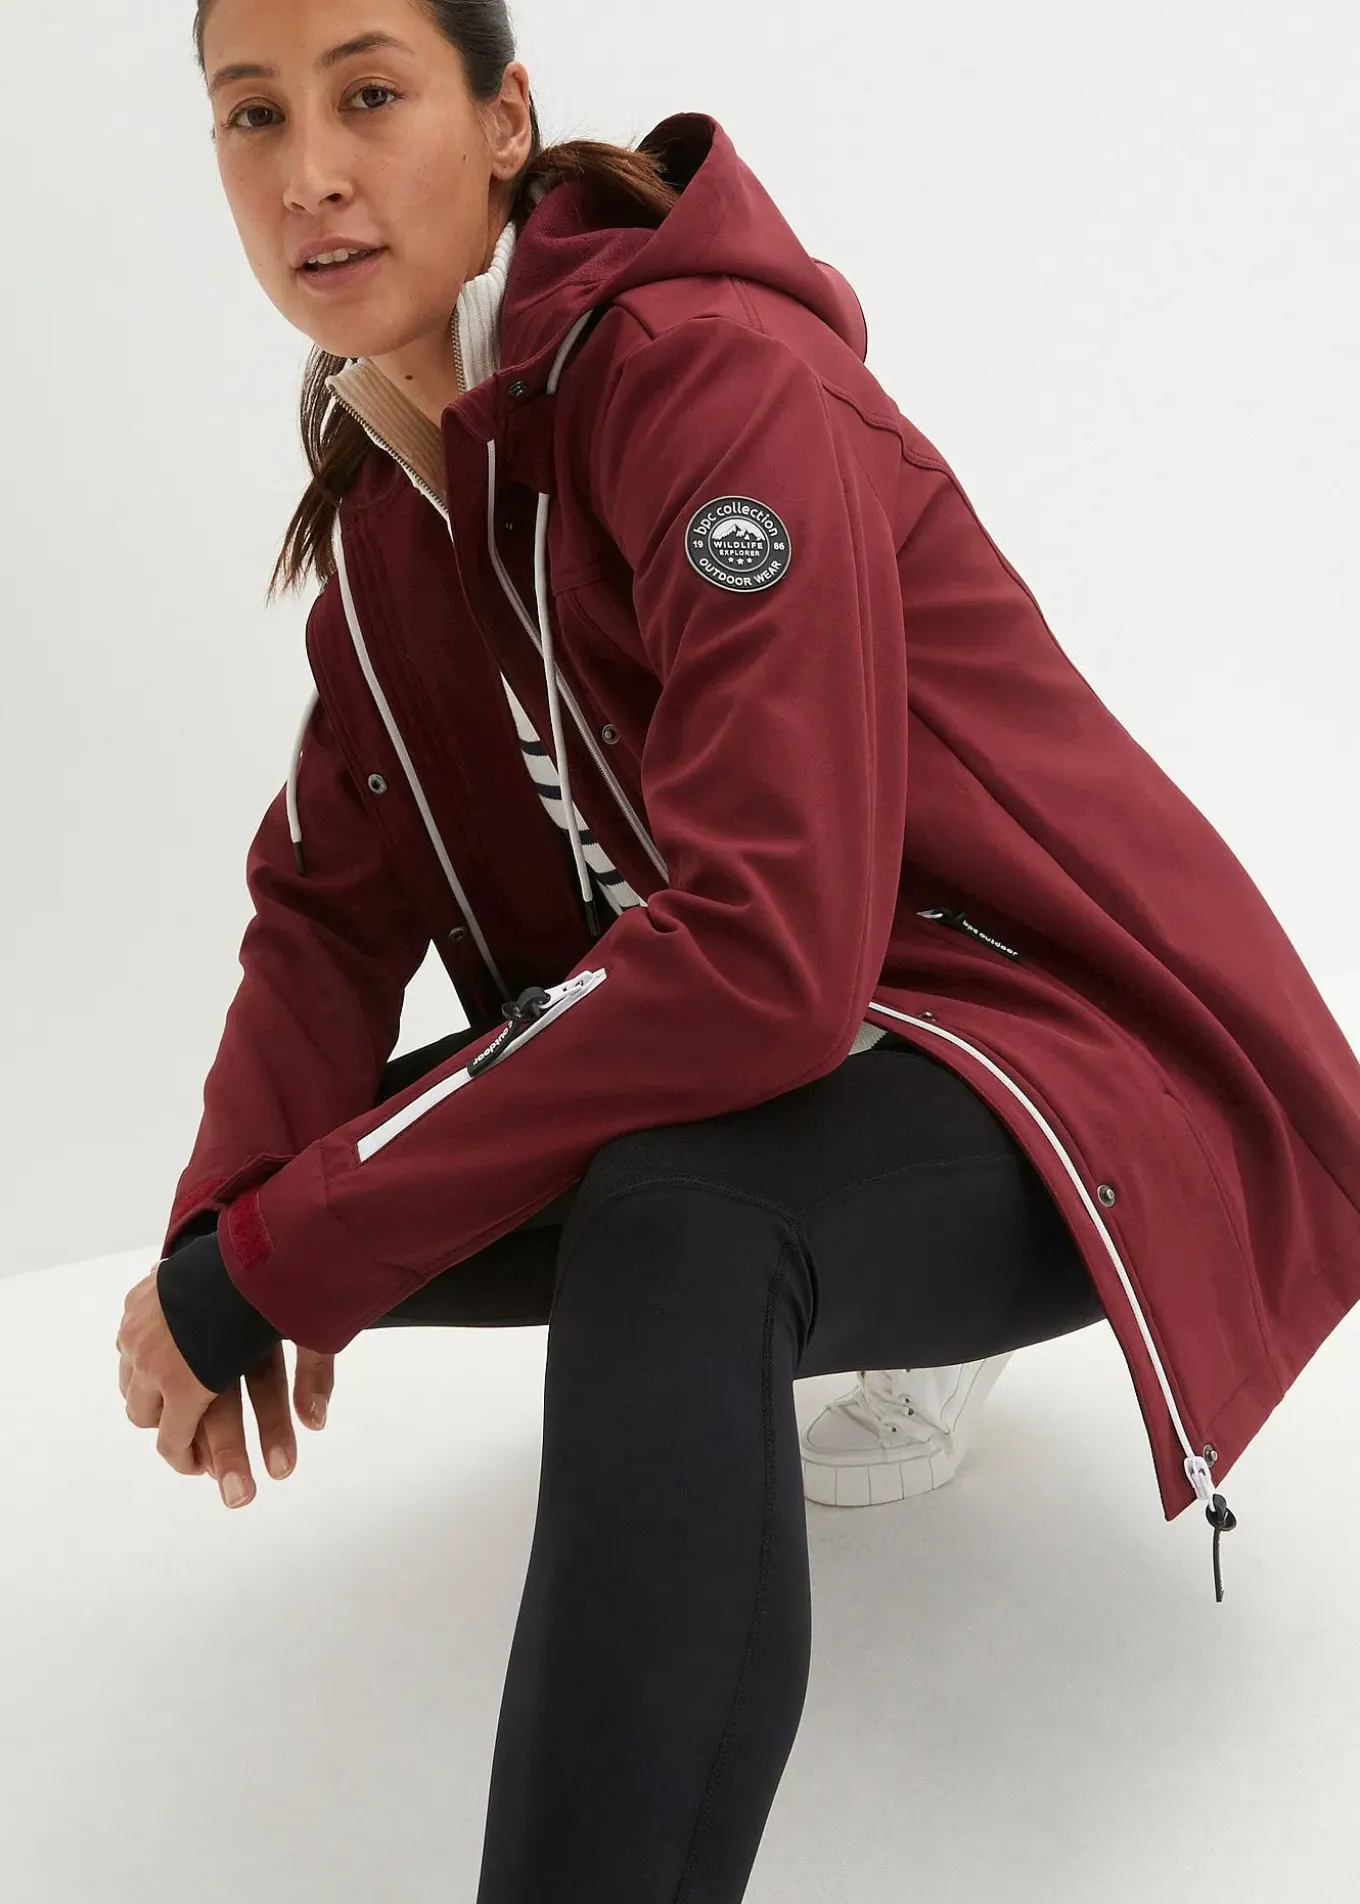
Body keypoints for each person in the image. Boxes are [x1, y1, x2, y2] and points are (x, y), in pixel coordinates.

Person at [118, 0, 1360, 1897]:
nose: (311, 174)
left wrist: (286, 1251)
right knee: (314, 1224)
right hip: (799, 1045)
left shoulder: (705, 380)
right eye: (251, 117)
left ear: (505, 119)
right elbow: (326, 906)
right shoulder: (393, 516)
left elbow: (771, 951)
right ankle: (826, 1267)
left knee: (680, 1230)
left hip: (1071, 1062)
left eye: (369, 94)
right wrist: (221, 1241)